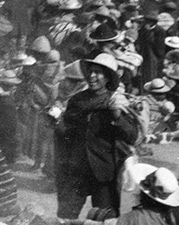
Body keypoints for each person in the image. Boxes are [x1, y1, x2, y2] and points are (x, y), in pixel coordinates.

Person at [54, 53, 139, 218]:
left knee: (104, 218)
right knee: (65, 216)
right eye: (90, 72)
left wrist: (116, 117)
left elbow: (132, 136)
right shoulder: (77, 100)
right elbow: (66, 133)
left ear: (107, 78)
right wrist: (57, 124)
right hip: (76, 168)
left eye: (98, 72)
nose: (92, 76)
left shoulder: (116, 102)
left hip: (103, 170)